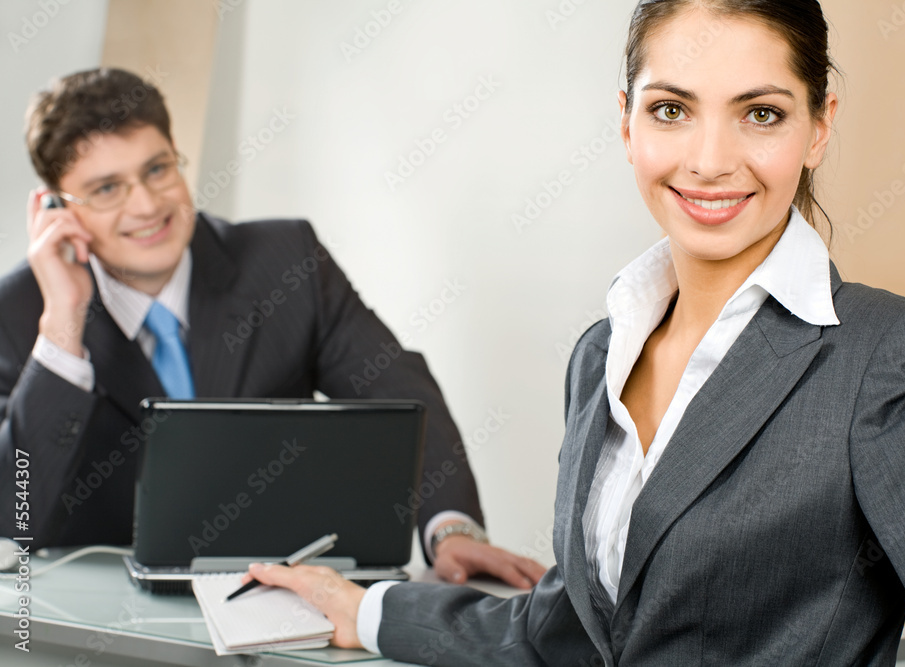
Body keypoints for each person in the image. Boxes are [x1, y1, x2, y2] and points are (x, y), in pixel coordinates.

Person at [244, 1, 905, 664]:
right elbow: (568, 634)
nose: (708, 161)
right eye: (672, 109)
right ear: (626, 120)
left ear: (819, 126)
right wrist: (367, 610)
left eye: (760, 113)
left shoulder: (886, 359)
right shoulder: (602, 352)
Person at [0, 67, 545, 590]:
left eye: (158, 169)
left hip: (280, 601)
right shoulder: (24, 311)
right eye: (106, 189)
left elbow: (399, 390)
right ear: (55, 208)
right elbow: (13, 516)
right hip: (97, 627)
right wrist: (63, 327)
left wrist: (452, 530)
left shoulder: (286, 262)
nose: (146, 205)